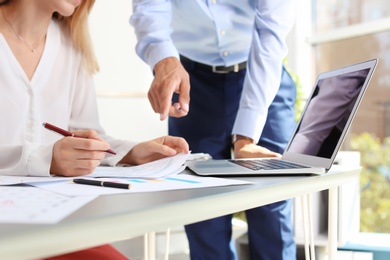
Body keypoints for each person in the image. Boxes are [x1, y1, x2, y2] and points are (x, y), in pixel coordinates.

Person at [0, 0, 189, 259]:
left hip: (51, 223)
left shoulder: (71, 47)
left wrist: (130, 153)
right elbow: (51, 155)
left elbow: (85, 132)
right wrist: (45, 159)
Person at [130, 1, 297, 259]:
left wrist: (246, 137)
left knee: (272, 204)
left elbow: (270, 37)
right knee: (202, 209)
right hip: (192, 82)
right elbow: (149, 9)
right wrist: (163, 60)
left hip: (262, 76)